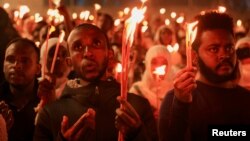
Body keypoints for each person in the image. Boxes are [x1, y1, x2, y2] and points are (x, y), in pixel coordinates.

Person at [34, 23, 158, 141]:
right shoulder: (51, 113)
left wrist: (137, 134)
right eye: (78, 47)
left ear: (110, 55)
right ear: (69, 61)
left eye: (96, 43)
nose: (88, 53)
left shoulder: (136, 107)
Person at [159, 11, 250, 141]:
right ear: (195, 56)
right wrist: (181, 105)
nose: (224, 55)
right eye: (214, 49)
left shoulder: (246, 99)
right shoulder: (176, 100)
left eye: (229, 48)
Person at [0, 38, 41, 141]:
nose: (16, 66)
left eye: (24, 61)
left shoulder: (46, 100)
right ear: (3, 65)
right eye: (10, 59)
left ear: (38, 69)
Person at [129, 45, 173, 121]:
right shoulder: (137, 90)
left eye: (164, 63)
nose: (159, 66)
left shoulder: (175, 92)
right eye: (154, 62)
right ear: (147, 64)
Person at [35, 37, 72, 112]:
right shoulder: (34, 87)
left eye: (64, 54)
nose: (59, 58)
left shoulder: (73, 90)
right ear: (43, 58)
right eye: (52, 54)